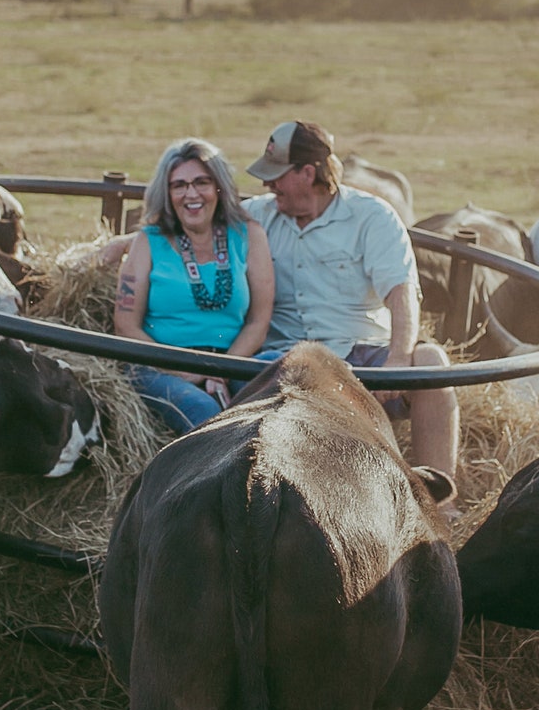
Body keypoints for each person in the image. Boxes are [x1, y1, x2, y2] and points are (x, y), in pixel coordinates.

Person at [244, 120, 459, 480]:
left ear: (308, 173)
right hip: (284, 358)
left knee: (431, 361)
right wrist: (129, 242)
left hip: (361, 353)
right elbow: (190, 227)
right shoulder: (257, 215)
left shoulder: (371, 217)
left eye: (277, 175)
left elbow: (401, 290)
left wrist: (398, 358)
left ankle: (440, 497)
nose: (268, 184)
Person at [113, 137, 274, 435]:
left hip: (232, 360)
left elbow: (258, 321)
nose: (191, 194)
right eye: (179, 185)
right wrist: (186, 370)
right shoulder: (149, 240)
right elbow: (125, 325)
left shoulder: (248, 234)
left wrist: (221, 369)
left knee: (286, 367)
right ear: (168, 192)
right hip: (160, 366)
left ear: (218, 187)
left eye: (201, 182)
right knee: (203, 410)